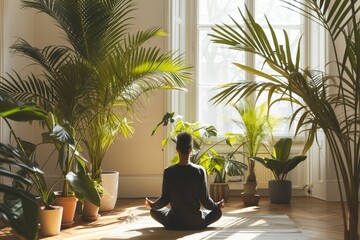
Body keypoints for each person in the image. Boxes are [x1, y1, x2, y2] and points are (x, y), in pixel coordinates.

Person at [145, 132, 224, 230]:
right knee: (217, 212)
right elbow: (205, 201)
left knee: (153, 211)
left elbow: (164, 199)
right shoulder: (199, 170)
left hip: (173, 223)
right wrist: (217, 205)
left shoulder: (168, 171)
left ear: (177, 149)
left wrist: (152, 205)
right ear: (191, 149)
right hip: (196, 222)